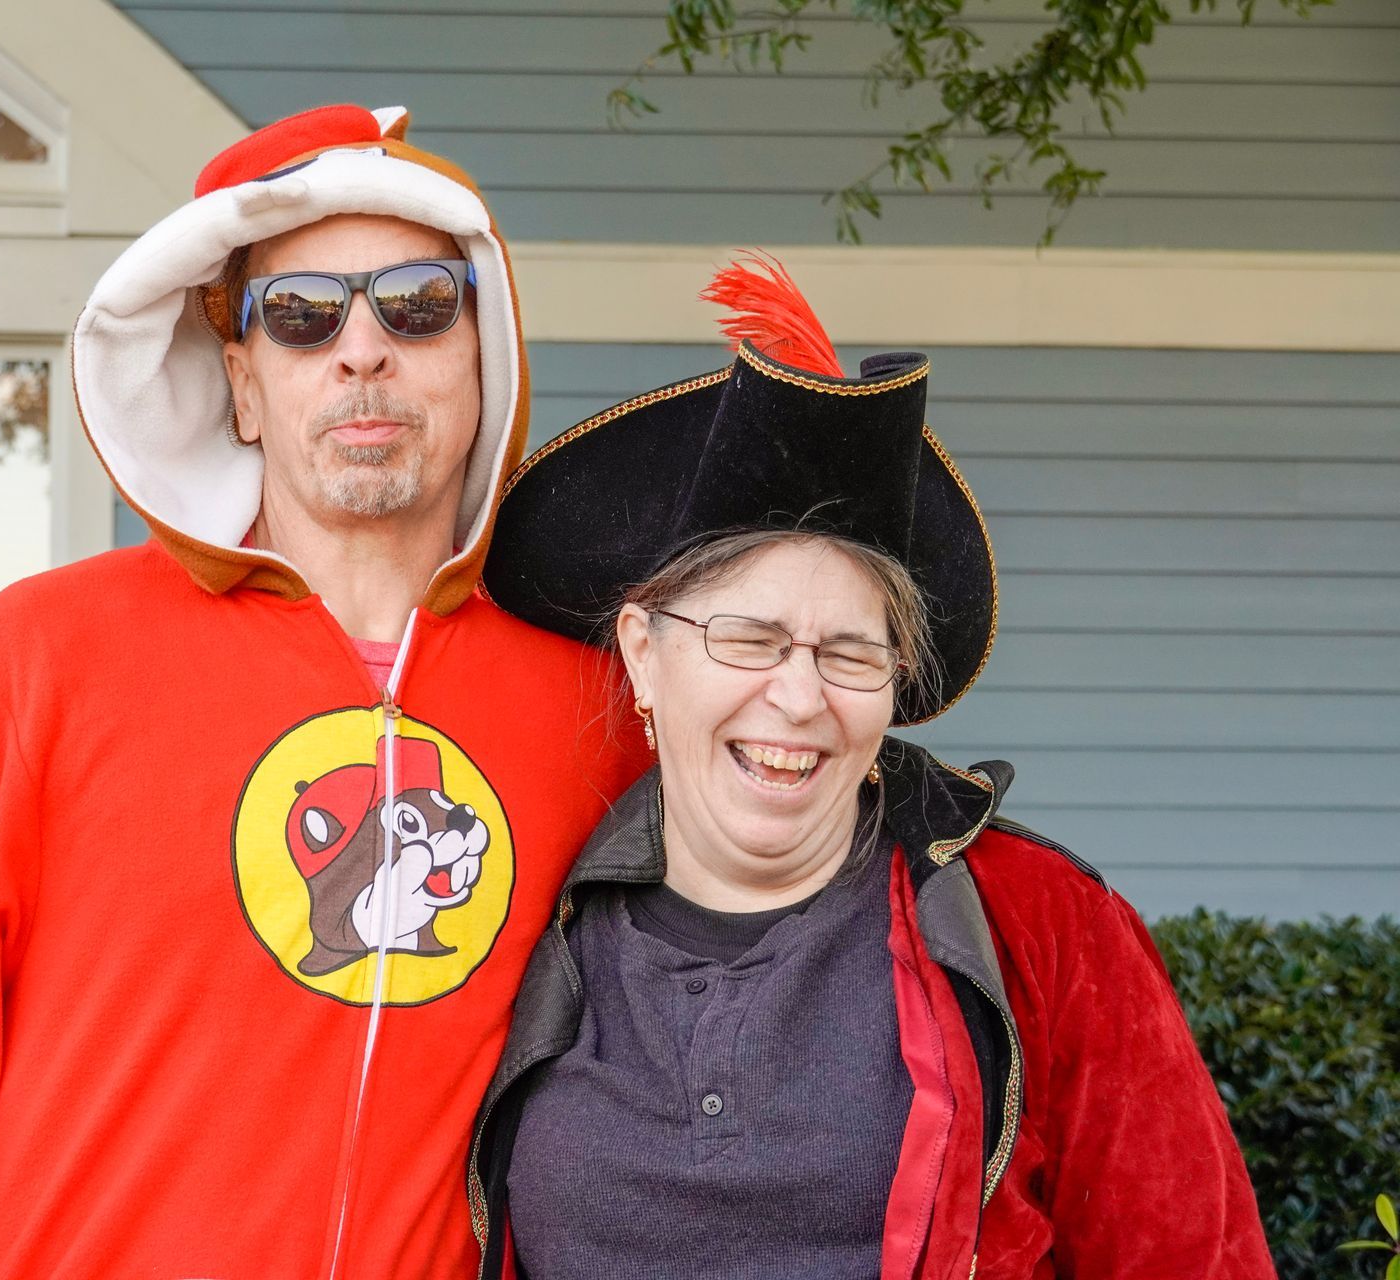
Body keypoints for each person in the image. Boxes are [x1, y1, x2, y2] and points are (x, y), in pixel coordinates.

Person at [0, 104, 642, 1280]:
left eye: (419, 303)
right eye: (302, 313)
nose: (363, 349)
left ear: (488, 356)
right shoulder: (38, 657)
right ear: (242, 383)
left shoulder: (602, 708)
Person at [468, 256, 1276, 1279]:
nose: (799, 697)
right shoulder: (521, 908)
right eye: (749, 639)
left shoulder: (1046, 924)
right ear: (643, 653)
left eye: (849, 654)